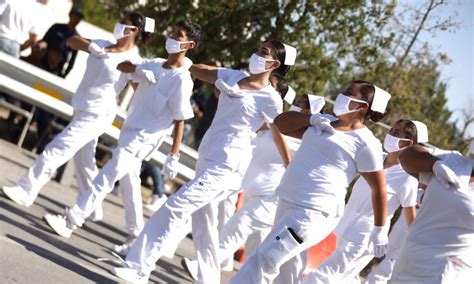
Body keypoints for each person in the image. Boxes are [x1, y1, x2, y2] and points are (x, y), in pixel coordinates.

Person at [111, 40, 297, 284]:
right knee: (204, 227)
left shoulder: (271, 99)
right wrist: (216, 78)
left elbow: (277, 133)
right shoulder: (234, 75)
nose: (256, 54)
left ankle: (139, 267)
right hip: (208, 156)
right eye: (258, 49)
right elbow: (197, 69)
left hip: (228, 166)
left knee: (176, 206)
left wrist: (291, 168)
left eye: (263, 53)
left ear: (275, 64)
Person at [42, 21, 200, 253]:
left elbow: (180, 119)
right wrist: (139, 70)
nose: (172, 38)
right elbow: (123, 67)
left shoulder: (182, 80)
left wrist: (173, 155)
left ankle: (71, 220)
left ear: (190, 44)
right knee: (130, 182)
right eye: (173, 33)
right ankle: (137, 237)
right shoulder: (156, 64)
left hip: (145, 139)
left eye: (179, 35)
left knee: (107, 175)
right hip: (130, 130)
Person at [231, 80, 392, 283]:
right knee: (286, 273)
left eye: (349, 92)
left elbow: (378, 188)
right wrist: (312, 119)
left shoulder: (366, 143)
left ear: (362, 107)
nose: (341, 94)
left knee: (265, 259)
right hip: (288, 199)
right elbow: (280, 124)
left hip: (313, 212)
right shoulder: (323, 123)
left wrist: (379, 230)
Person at [2, 12, 150, 222]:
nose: (118, 25)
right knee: (84, 162)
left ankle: (26, 190)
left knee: (58, 147)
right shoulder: (103, 43)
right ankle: (91, 208)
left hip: (99, 112)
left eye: (123, 23)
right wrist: (91, 47)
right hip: (82, 106)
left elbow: (140, 92)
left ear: (134, 30)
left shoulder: (134, 60)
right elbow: (71, 41)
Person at [182, 93, 325, 280]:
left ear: (311, 113)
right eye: (297, 102)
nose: (297, 107)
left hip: (273, 195)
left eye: (302, 105)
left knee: (239, 224)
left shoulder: (309, 140)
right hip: (252, 189)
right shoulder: (277, 125)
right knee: (255, 244)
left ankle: (204, 267)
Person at [303, 119, 429, 283]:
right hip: (343, 227)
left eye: (396, 133)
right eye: (391, 129)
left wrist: (417, 247)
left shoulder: (407, 177)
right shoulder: (376, 159)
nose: (389, 134)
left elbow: (410, 216)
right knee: (340, 278)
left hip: (365, 237)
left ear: (408, 143)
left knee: (323, 277)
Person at [390, 144, 473, 283]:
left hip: (446, 274)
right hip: (408, 265)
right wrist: (434, 164)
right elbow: (407, 155)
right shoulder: (455, 161)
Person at [364, 188, 424, 283]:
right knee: (382, 271)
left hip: (410, 245)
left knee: (384, 273)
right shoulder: (417, 192)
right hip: (396, 239)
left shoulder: (437, 204)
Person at [40, 7, 83, 77]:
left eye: (79, 18)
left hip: (57, 69)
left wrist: (65, 74)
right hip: (43, 63)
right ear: (70, 15)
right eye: (76, 16)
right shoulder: (57, 27)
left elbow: (72, 59)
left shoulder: (77, 38)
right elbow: (44, 41)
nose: (77, 19)